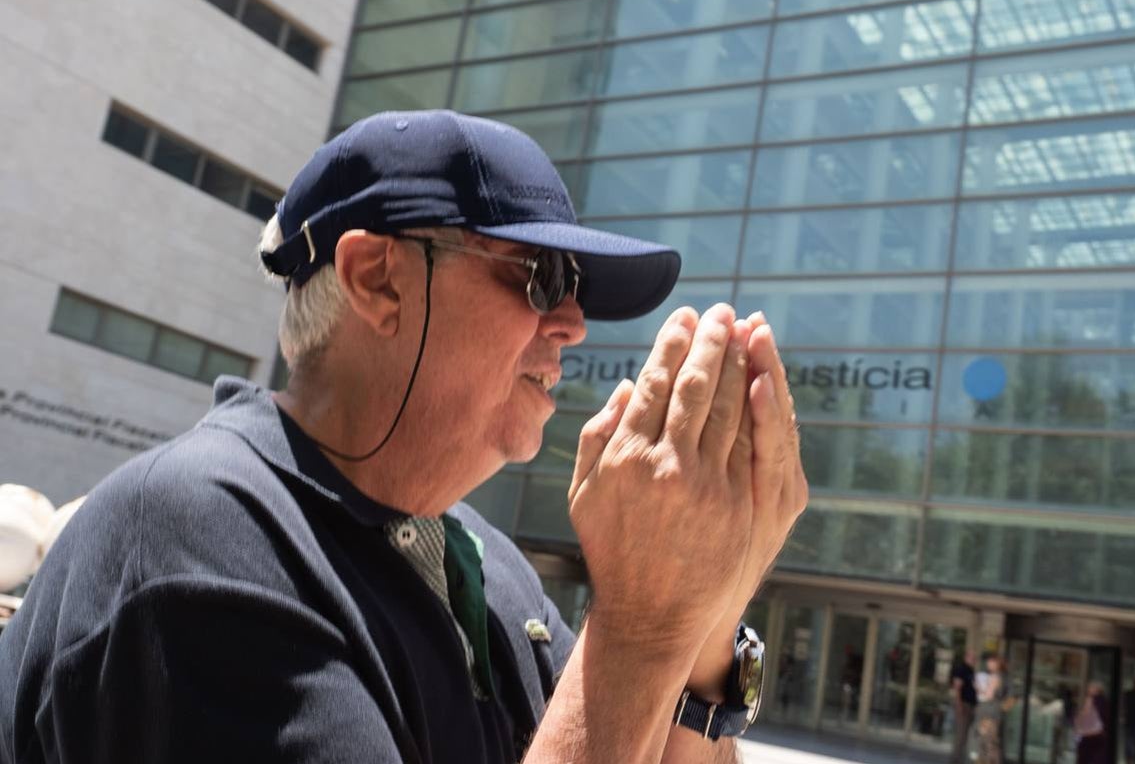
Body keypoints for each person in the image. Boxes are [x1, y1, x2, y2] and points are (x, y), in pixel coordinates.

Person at [0, 110, 809, 763]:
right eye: (542, 277)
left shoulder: (490, 569)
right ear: (378, 278)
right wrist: (639, 625)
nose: (572, 324)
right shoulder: (196, 538)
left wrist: (704, 614)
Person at [975, 653, 1008, 764]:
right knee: (991, 743)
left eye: (990, 662)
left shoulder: (995, 677)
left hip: (989, 713)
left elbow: (988, 695)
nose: (988, 664)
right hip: (992, 713)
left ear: (996, 664)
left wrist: (978, 687)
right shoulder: (1000, 676)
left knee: (987, 744)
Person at [950, 650, 978, 764]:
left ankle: (960, 759)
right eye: (972, 658)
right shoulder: (961, 669)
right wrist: (959, 705)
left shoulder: (971, 670)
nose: (974, 660)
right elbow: (957, 688)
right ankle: (955, 760)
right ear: (966, 657)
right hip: (963, 705)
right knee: (961, 735)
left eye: (975, 658)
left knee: (965, 735)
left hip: (970, 705)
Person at [1075, 681, 1110, 764]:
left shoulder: (1092, 700)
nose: (1088, 689)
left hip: (1090, 740)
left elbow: (1084, 720)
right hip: (1100, 740)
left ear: (1096, 689)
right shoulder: (1105, 702)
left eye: (1090, 687)